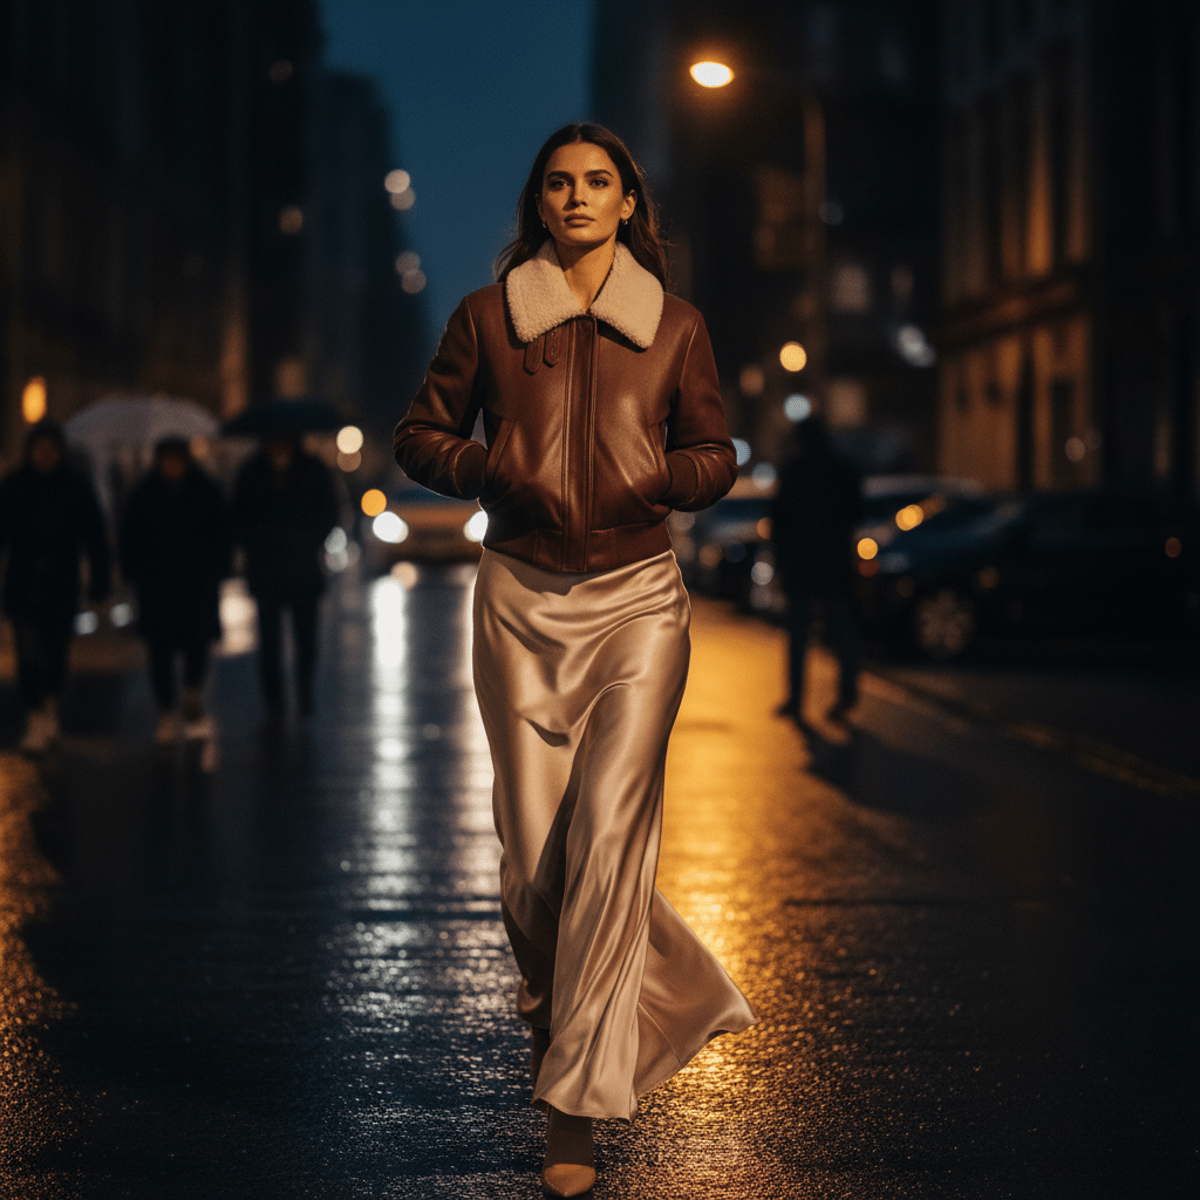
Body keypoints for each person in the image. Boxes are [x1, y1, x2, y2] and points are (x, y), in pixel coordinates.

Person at [394, 123, 756, 1197]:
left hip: (641, 601)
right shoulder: (488, 319)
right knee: (533, 863)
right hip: (519, 598)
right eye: (559, 183)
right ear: (539, 205)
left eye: (598, 181)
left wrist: (668, 479)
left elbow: (715, 451)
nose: (578, 197)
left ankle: (573, 1114)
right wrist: (489, 460)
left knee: (608, 837)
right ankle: (581, 1016)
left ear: (629, 202)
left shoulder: (676, 326)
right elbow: (418, 435)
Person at [0, 419, 110, 753]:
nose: (45, 455)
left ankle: (49, 705)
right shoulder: (14, 486)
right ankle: (35, 717)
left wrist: (100, 579)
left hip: (61, 584)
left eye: (50, 449)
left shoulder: (76, 487)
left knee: (57, 652)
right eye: (39, 449)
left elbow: (95, 536)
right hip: (24, 584)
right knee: (28, 652)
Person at [119, 437, 232, 744]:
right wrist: (136, 572)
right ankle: (166, 711)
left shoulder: (205, 490)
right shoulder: (144, 493)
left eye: (177, 459)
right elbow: (129, 536)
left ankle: (192, 694)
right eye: (167, 460)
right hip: (158, 587)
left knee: (197, 645)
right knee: (160, 651)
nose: (172, 465)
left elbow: (222, 533)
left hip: (197, 585)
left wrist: (217, 569)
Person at [232, 433, 337, 719]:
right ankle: (274, 701)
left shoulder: (312, 469)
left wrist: (309, 540)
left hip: (303, 566)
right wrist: (259, 541)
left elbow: (330, 512)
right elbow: (238, 517)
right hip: (266, 569)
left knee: (306, 638)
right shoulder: (252, 472)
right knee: (268, 640)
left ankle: (304, 690)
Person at [770, 415, 864, 723]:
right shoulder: (843, 470)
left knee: (798, 634)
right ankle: (847, 693)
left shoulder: (794, 471)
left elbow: (778, 519)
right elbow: (858, 513)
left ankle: (796, 700)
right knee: (841, 630)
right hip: (834, 561)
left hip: (801, 564)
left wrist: (781, 559)